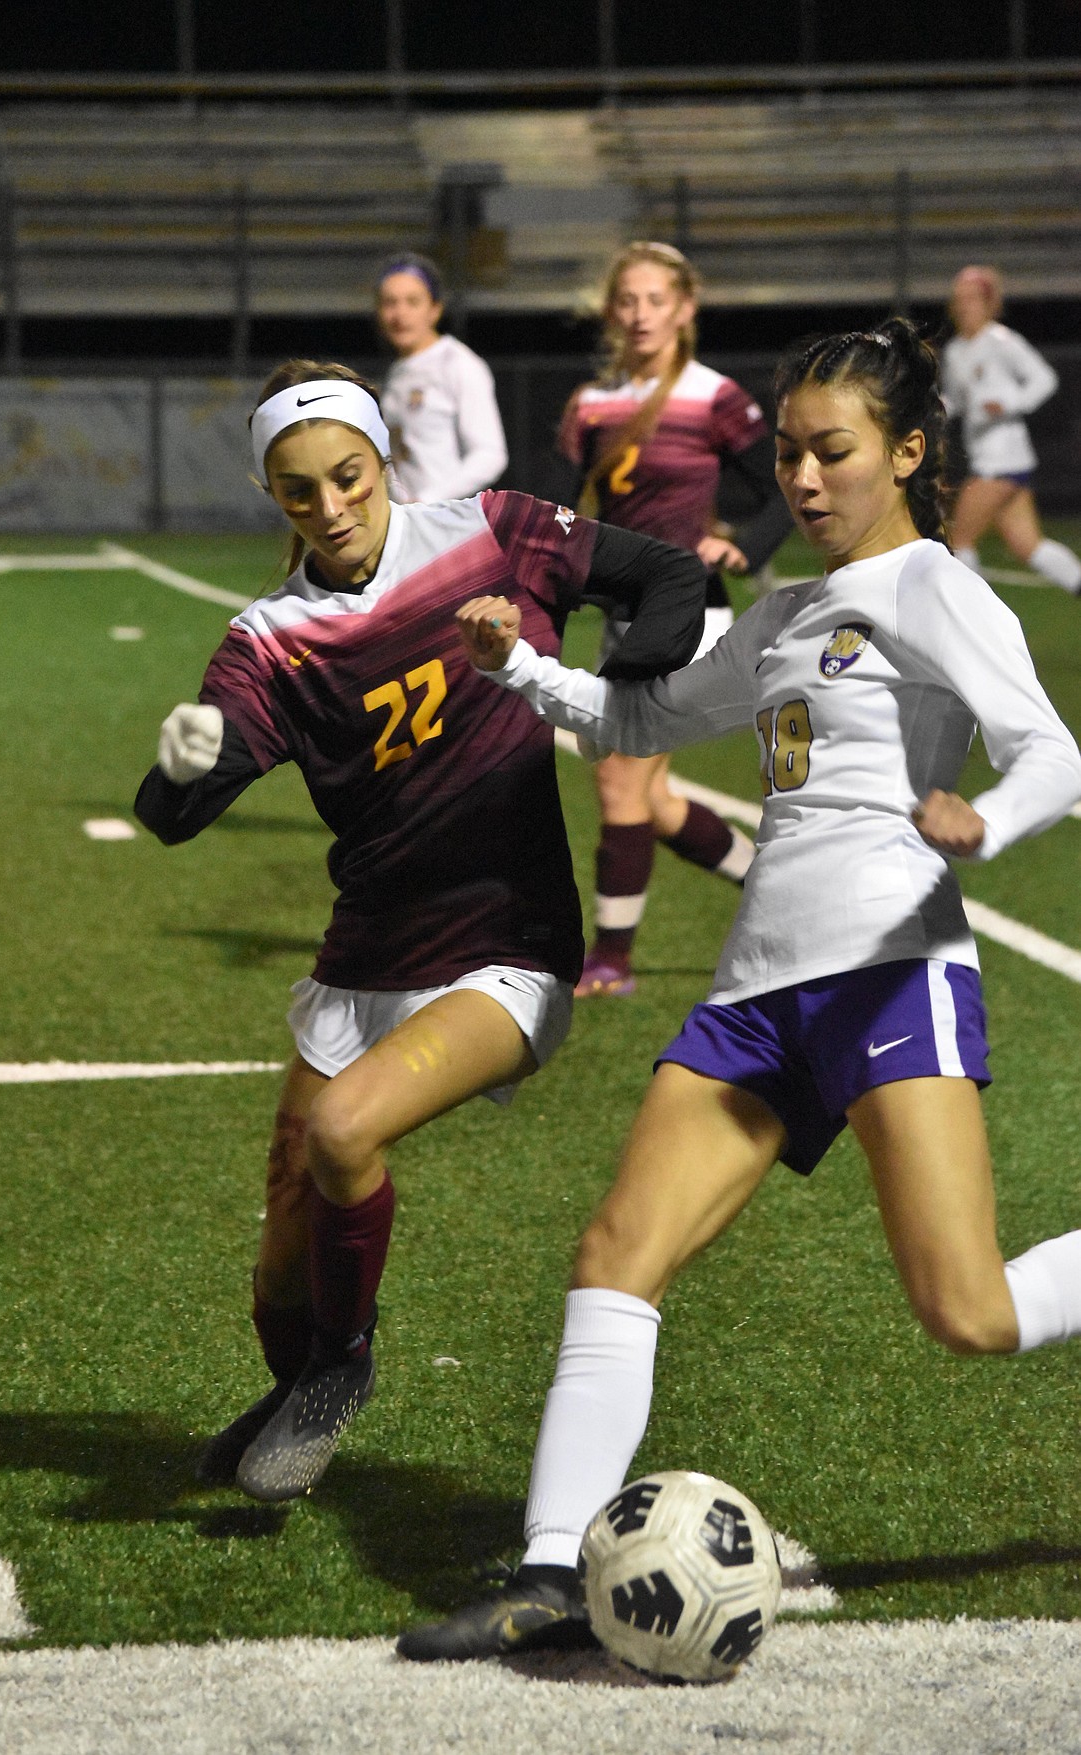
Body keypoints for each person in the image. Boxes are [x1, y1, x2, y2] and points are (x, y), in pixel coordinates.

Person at [396, 317, 1081, 1661]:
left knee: (967, 1310)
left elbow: (1052, 750)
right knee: (615, 1255)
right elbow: (644, 722)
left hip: (889, 974)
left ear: (908, 450)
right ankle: (550, 1566)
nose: (806, 480)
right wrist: (517, 668)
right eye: (792, 455)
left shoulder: (936, 587)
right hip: (753, 998)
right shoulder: (780, 614)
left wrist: (981, 828)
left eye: (834, 452)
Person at [134, 359, 709, 1504]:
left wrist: (620, 694)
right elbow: (175, 815)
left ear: (381, 455)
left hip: (508, 942)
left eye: (348, 475)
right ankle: (299, 1376)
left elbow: (666, 577)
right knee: (281, 1248)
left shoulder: (491, 534)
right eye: (299, 493)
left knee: (346, 1132)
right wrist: (179, 768)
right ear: (275, 499)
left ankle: (340, 1372)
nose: (332, 508)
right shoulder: (269, 639)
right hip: (364, 957)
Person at [551, 241, 793, 998]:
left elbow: (784, 487)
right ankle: (787, 897)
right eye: (628, 300)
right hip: (625, 621)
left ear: (685, 309)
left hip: (691, 615)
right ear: (611, 310)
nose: (641, 314)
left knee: (620, 783)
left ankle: (610, 961)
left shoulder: (715, 395)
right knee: (651, 801)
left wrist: (742, 546)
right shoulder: (591, 403)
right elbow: (559, 517)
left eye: (657, 300)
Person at [943, 264, 1081, 595]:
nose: (964, 305)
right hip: (991, 459)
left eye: (972, 298)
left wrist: (1009, 404)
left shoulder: (1001, 341)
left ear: (989, 302)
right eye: (960, 298)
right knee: (1028, 546)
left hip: (1002, 459)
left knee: (959, 538)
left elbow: (1044, 379)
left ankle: (975, 617)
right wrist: (931, 410)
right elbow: (957, 402)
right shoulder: (955, 350)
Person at [377, 253, 508, 502]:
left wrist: (429, 501)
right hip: (409, 523)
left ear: (435, 309)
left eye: (412, 302)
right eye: (389, 302)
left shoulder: (458, 364)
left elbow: (490, 455)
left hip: (446, 523)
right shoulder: (397, 371)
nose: (399, 313)